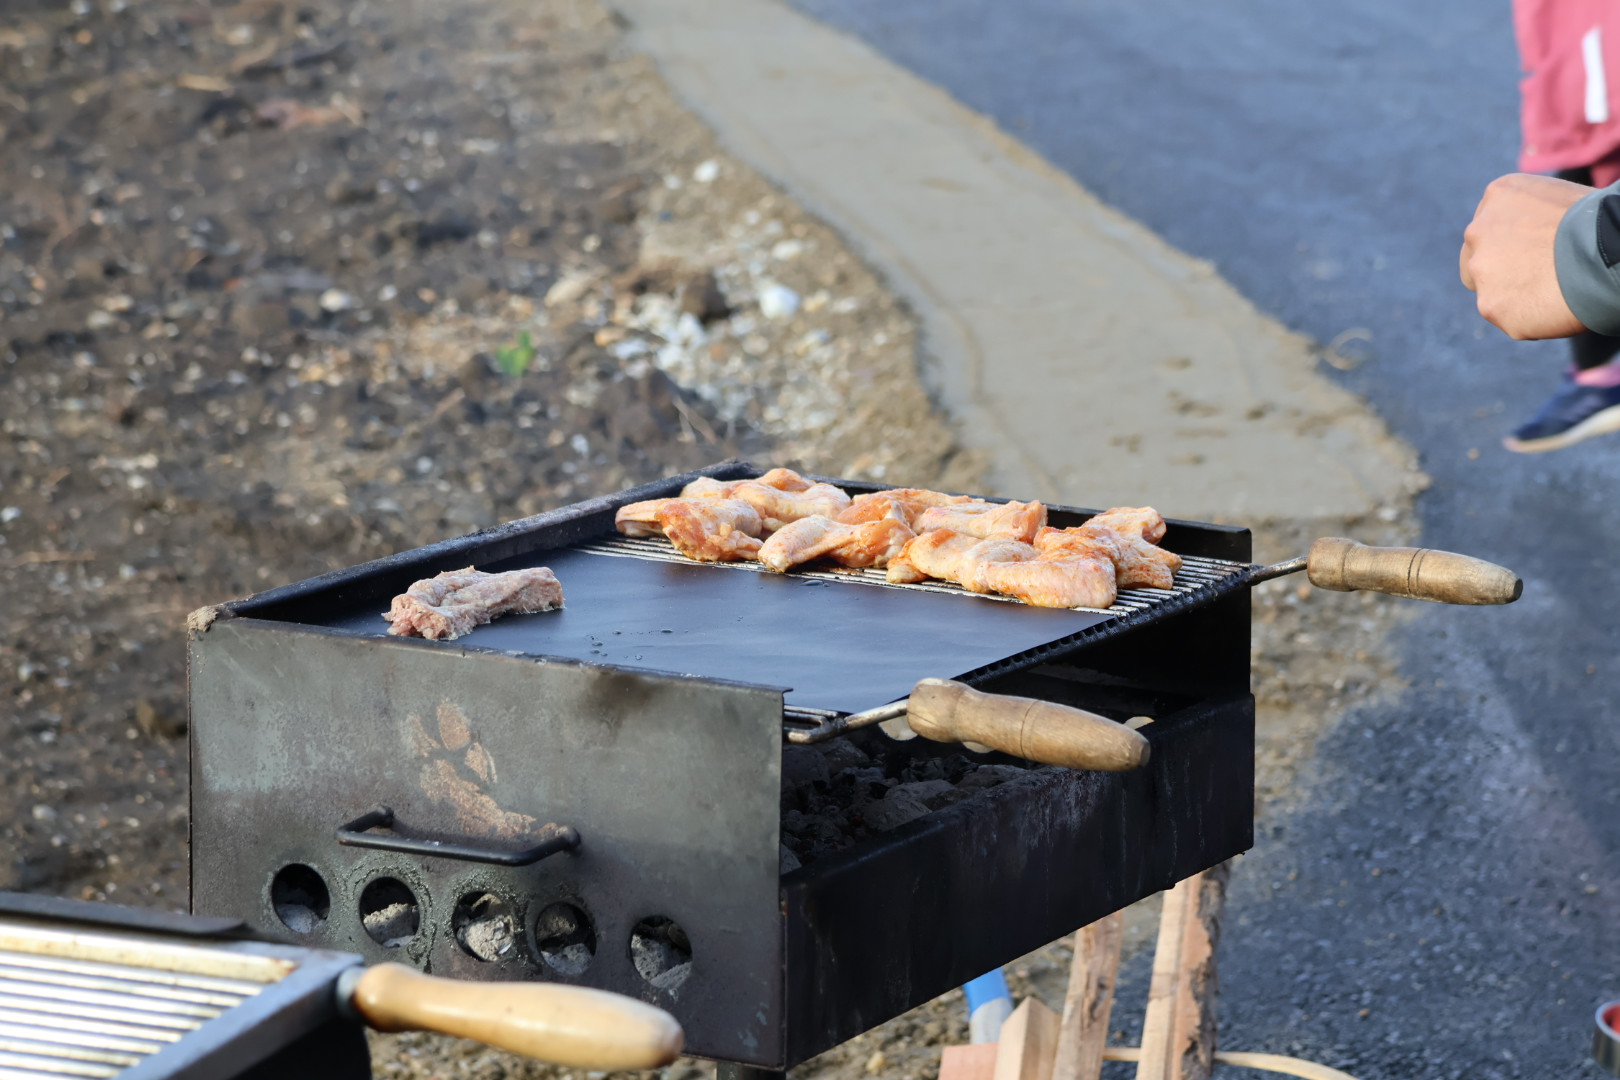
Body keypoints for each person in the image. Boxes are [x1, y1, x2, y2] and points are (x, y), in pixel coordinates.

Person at [1500, 0, 1620, 450]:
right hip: (1578, 44)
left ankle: (1595, 378)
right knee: (1583, 180)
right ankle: (1596, 378)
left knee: (1587, 202)